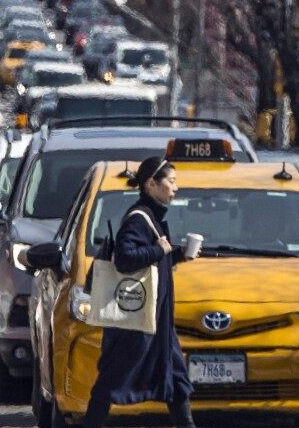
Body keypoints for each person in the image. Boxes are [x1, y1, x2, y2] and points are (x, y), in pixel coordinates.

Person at [84, 156, 200, 428]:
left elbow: (151, 265)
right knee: (112, 379)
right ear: (151, 184)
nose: (176, 187)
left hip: (156, 323)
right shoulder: (139, 219)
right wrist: (159, 250)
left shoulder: (152, 218)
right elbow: (126, 259)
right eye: (171, 181)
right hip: (136, 323)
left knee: (177, 380)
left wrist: (177, 255)